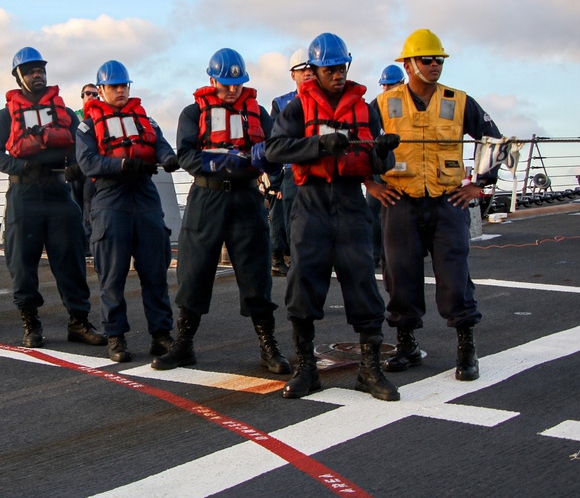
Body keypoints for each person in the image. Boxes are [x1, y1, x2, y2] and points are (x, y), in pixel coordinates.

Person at [266, 33, 401, 401]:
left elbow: (378, 159)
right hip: (310, 203)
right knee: (303, 280)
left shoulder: (365, 108)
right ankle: (306, 369)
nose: (338, 74)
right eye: (330, 69)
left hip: (349, 200)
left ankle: (369, 370)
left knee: (362, 280)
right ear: (315, 70)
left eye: (342, 67)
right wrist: (317, 146)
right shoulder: (296, 107)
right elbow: (275, 149)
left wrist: (384, 153)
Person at [369, 29, 502, 382]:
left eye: (439, 60)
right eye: (427, 60)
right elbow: (358, 144)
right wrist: (370, 184)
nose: (434, 65)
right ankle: (406, 344)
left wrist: (477, 186)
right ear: (409, 64)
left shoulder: (458, 101)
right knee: (399, 276)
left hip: (447, 203)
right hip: (400, 203)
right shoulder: (383, 104)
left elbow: (494, 140)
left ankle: (466, 348)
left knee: (455, 278)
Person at [152, 48, 289, 376]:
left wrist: (264, 162)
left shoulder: (258, 113)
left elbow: (276, 152)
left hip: (246, 200)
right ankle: (184, 344)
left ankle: (268, 345)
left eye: (238, 83)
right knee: (194, 271)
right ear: (211, 79)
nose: (233, 89)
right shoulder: (191, 113)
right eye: (227, 83)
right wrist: (225, 161)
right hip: (206, 198)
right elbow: (185, 156)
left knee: (256, 273)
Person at [0, 46, 105, 348]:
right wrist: (23, 166)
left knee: (72, 260)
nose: (36, 75)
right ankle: (31, 324)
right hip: (23, 195)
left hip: (59, 193)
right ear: (18, 77)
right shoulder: (4, 116)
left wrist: (78, 167)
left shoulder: (64, 114)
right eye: (29, 71)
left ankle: (79, 322)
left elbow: (85, 144)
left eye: (40, 70)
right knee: (22, 264)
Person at [76, 60, 181, 362]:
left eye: (124, 86)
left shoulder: (144, 118)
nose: (121, 90)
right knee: (112, 276)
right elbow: (87, 162)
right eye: (114, 86)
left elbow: (160, 144)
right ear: (102, 90)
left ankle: (161, 336)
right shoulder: (87, 125)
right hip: (111, 201)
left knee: (155, 273)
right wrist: (122, 165)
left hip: (146, 199)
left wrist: (169, 158)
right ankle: (116, 337)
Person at [267, 49, 314, 278]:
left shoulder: (328, 100)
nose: (307, 73)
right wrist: (274, 182)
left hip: (319, 170)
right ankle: (283, 257)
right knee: (287, 220)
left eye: (310, 69)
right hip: (290, 172)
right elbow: (273, 143)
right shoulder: (281, 103)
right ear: (292, 75)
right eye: (301, 70)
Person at [366, 64, 406, 269]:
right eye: (385, 86)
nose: (388, 89)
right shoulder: (377, 105)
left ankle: (393, 255)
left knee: (398, 213)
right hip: (382, 164)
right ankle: (375, 254)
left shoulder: (409, 106)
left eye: (392, 85)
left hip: (405, 167)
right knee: (373, 211)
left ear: (403, 83)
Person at [72, 83, 100, 251]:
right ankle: (78, 243)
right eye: (88, 93)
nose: (91, 96)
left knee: (89, 204)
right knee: (75, 204)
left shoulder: (100, 117)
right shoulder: (73, 116)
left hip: (90, 169)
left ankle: (89, 243)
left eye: (95, 94)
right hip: (75, 168)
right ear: (82, 96)